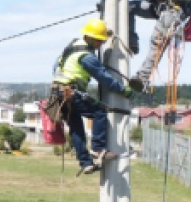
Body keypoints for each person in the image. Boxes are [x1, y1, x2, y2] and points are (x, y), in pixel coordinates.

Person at [52, 19, 133, 174]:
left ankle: (86, 163)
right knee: (99, 112)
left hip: (58, 93)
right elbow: (103, 78)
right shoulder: (87, 57)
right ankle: (98, 149)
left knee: (76, 128)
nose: (100, 44)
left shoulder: (73, 45)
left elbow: (55, 66)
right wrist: (122, 90)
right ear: (89, 37)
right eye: (98, 41)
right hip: (71, 92)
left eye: (102, 41)